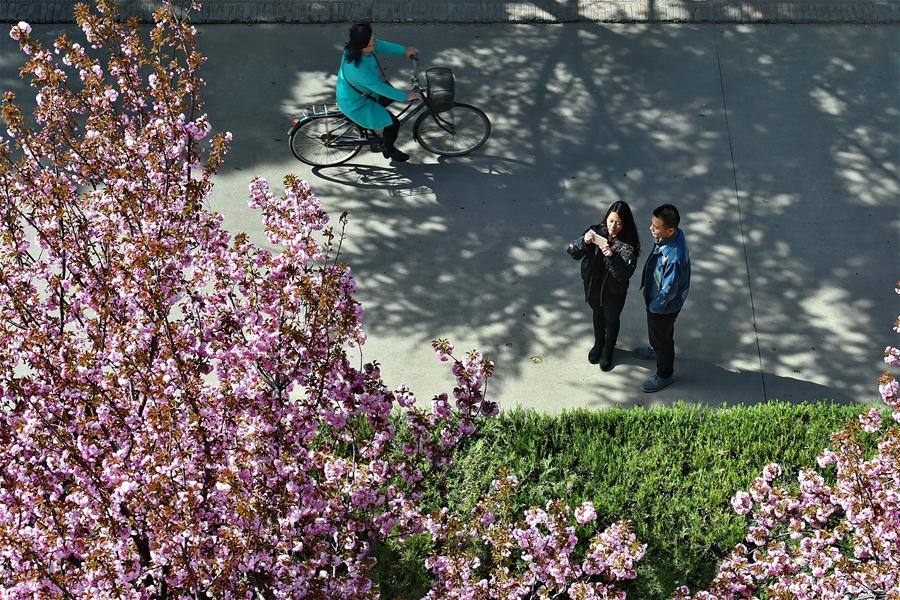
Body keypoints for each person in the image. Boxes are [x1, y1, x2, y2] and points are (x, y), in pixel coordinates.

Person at [567, 201, 640, 372]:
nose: (613, 226)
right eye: (611, 221)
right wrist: (583, 242)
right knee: (597, 314)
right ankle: (599, 343)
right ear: (606, 218)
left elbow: (623, 274)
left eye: (619, 223)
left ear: (625, 224)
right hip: (593, 286)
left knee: (611, 318)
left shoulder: (628, 245)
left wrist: (612, 256)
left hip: (613, 292)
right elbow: (572, 252)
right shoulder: (596, 231)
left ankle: (609, 349)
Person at [336, 23, 423, 163]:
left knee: (390, 96)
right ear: (362, 46)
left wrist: (404, 50)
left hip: (358, 92)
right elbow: (379, 88)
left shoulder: (354, 49)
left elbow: (380, 45)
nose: (375, 44)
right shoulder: (358, 69)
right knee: (393, 123)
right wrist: (406, 96)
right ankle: (387, 148)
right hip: (358, 103)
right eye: (371, 43)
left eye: (374, 38)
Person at [633, 203, 691, 393]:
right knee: (659, 334)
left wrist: (654, 307)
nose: (651, 229)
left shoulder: (673, 257)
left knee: (662, 339)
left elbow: (669, 291)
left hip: (664, 307)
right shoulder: (673, 236)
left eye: (656, 227)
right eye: (652, 224)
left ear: (670, 230)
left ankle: (664, 374)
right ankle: (655, 349)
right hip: (658, 301)